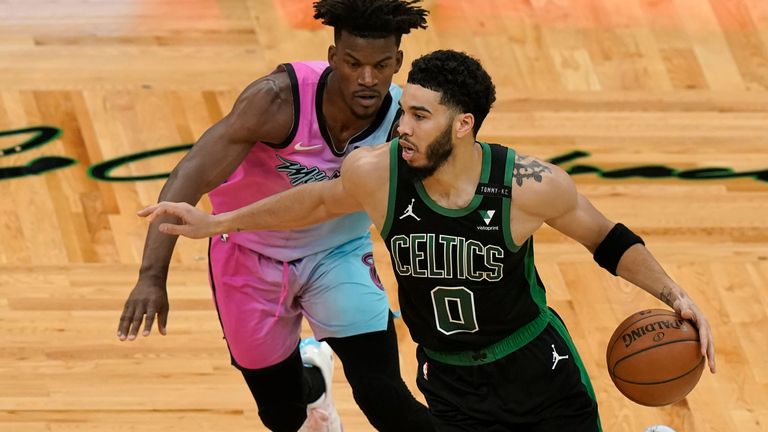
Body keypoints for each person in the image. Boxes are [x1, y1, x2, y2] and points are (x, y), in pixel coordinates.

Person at [139, 50, 717, 431]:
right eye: (405, 111)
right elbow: (313, 201)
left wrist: (675, 295)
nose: (403, 125)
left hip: (537, 369)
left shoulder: (527, 185)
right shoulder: (378, 172)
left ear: (462, 124)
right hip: (450, 378)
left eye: (419, 115)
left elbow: (606, 238)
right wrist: (215, 223)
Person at [116, 1, 436, 431]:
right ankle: (313, 379)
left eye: (381, 66)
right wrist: (151, 276)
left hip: (338, 252)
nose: (367, 79)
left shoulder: (406, 121)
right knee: (282, 414)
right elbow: (189, 175)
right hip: (248, 249)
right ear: (332, 57)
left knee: (384, 397)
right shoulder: (276, 100)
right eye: (353, 63)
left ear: (398, 61)